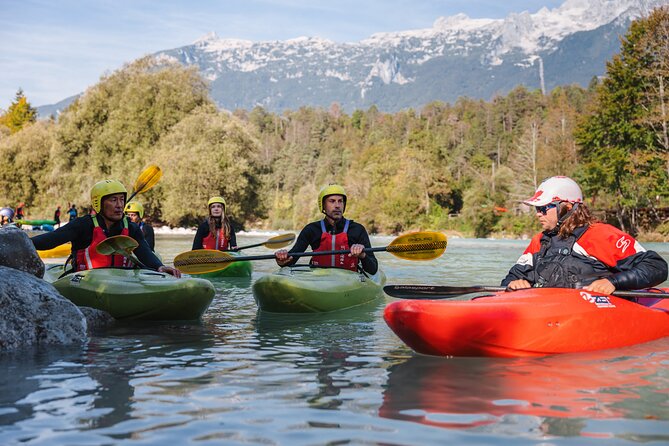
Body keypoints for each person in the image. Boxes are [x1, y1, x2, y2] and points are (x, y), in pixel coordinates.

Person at [501, 176, 667, 294]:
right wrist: (513, 284)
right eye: (537, 209)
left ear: (566, 206)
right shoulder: (540, 241)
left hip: (595, 311)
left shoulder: (601, 234)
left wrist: (613, 282)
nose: (538, 214)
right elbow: (511, 278)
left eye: (544, 208)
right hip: (550, 312)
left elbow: (656, 267)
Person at [32, 180, 180, 277]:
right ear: (99, 203)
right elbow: (50, 240)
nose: (120, 205)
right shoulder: (84, 225)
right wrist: (23, 241)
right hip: (87, 279)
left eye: (122, 199)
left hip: (123, 280)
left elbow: (144, 252)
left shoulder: (131, 228)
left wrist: (159, 267)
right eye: (113, 200)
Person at [274, 184, 378, 275]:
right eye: (332, 201)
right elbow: (291, 260)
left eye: (340, 201)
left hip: (348, 280)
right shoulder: (311, 230)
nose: (337, 206)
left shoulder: (357, 230)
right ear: (323, 205)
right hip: (319, 280)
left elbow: (373, 269)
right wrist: (282, 259)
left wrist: (363, 255)